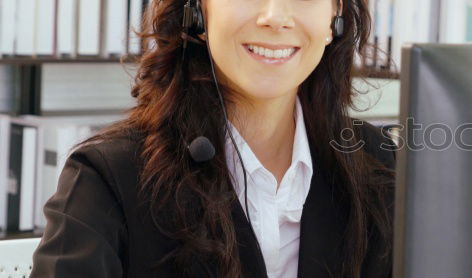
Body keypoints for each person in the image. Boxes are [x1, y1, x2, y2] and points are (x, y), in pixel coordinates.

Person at [30, 0, 395, 277]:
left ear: (336, 15)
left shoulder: (381, 167)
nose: (275, 16)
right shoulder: (108, 178)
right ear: (197, 13)